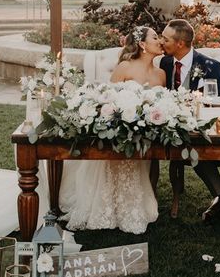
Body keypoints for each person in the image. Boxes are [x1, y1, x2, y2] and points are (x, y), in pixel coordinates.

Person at [60, 26, 163, 234]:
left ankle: (134, 204)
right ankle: (106, 206)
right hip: (120, 131)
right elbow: (109, 101)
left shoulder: (161, 74)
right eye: (155, 37)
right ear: (143, 44)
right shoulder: (124, 67)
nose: (160, 40)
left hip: (145, 135)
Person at [160, 19, 220, 229]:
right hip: (180, 131)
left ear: (180, 43)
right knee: (193, 147)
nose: (162, 42)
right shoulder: (165, 63)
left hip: (208, 127)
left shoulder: (212, 67)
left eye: (165, 38)